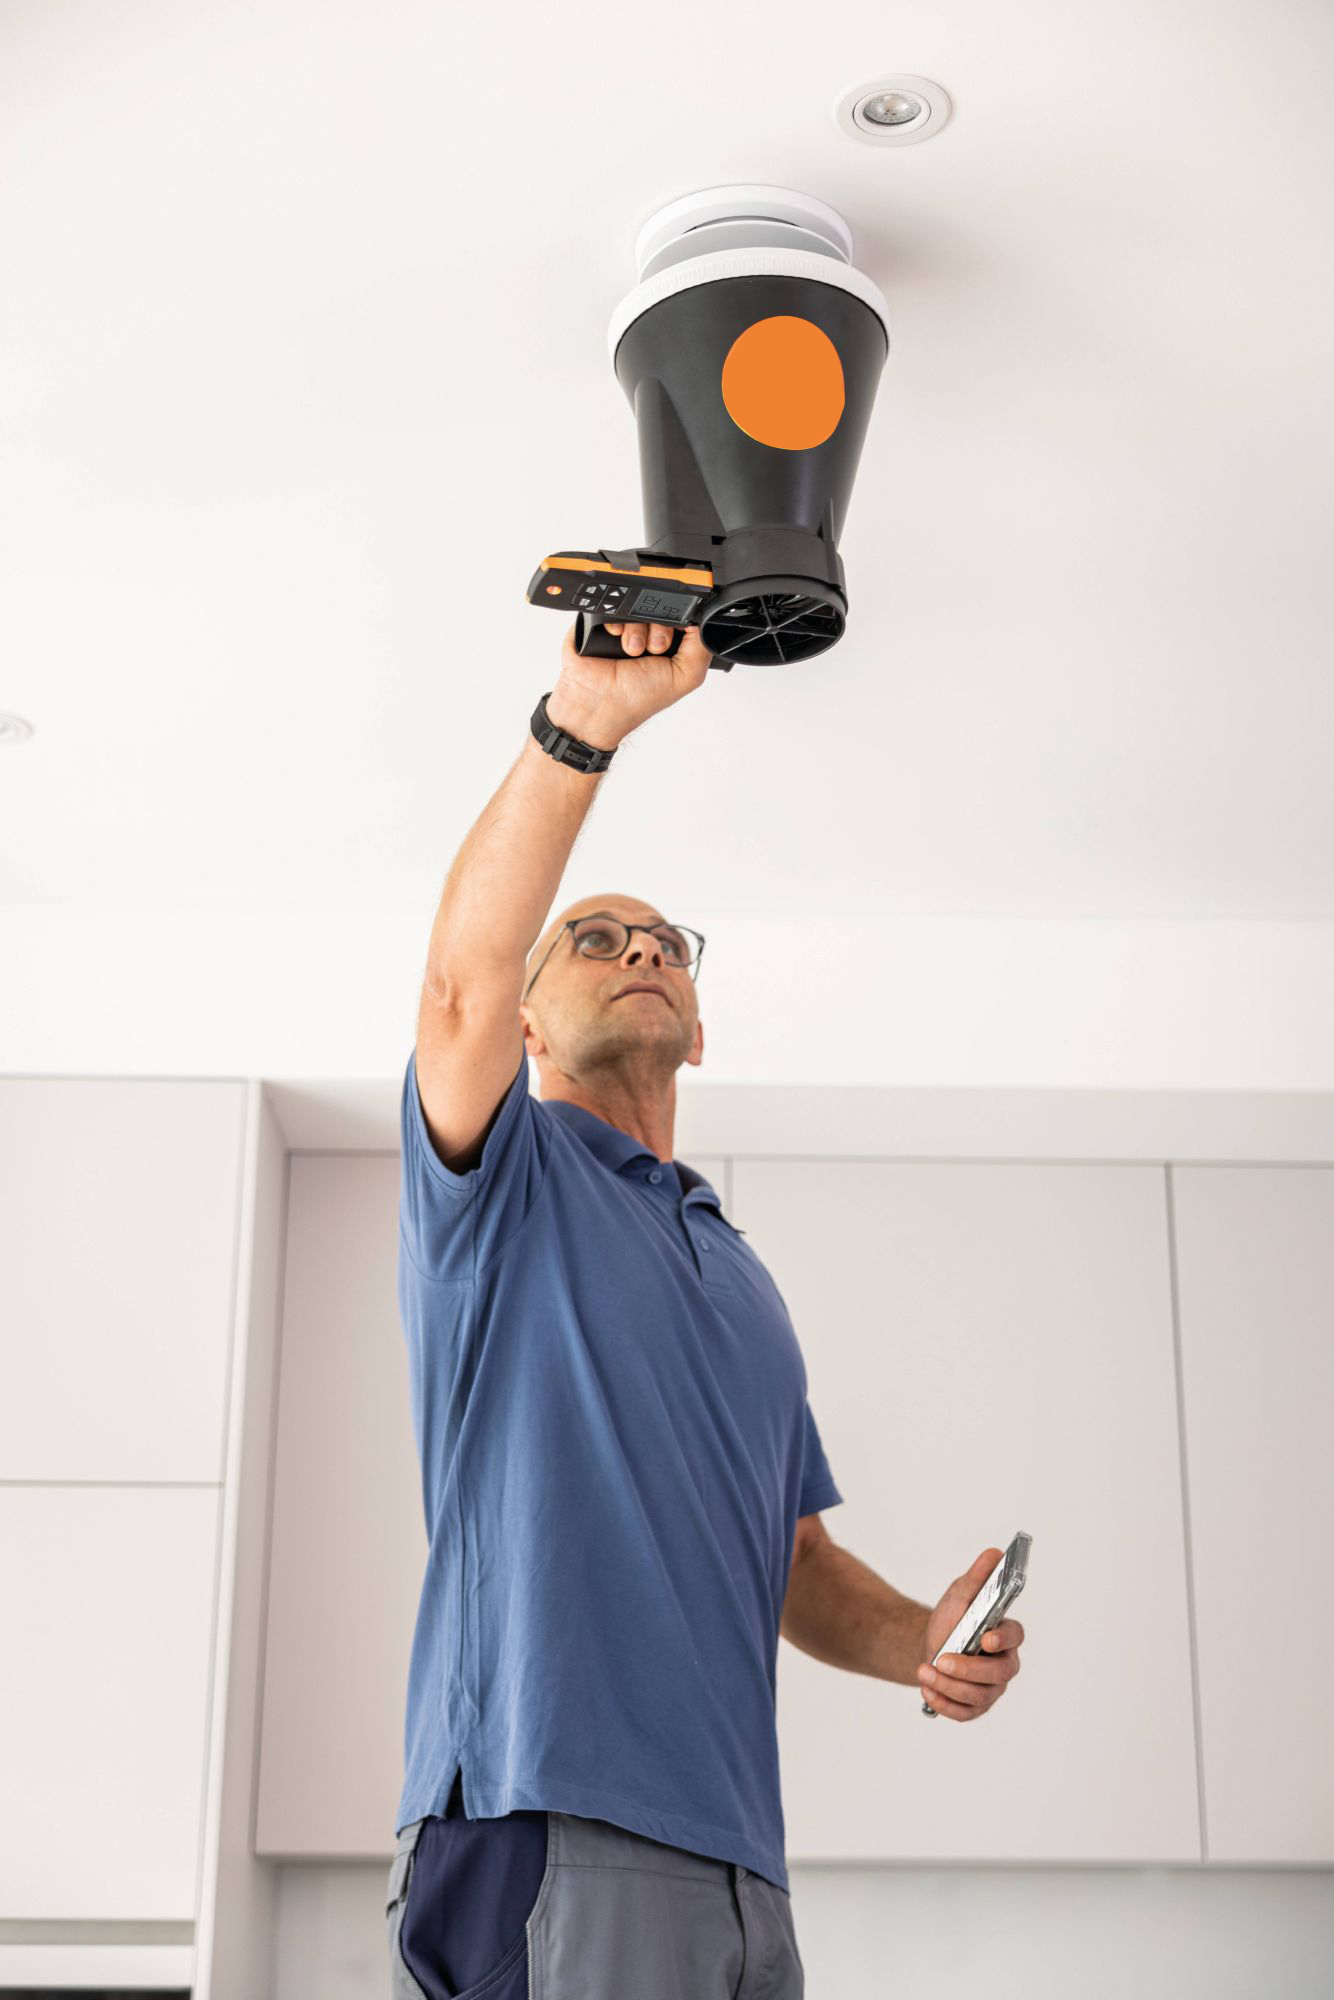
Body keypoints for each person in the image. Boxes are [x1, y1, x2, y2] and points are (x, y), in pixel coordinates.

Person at [387, 616, 1024, 1999]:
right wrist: (582, 723)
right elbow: (455, 985)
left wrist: (921, 1641)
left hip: (742, 1867)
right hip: (545, 1823)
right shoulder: (504, 1182)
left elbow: (792, 1561)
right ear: (528, 1025)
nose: (640, 951)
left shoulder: (737, 1271)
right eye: (594, 940)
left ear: (700, 1020)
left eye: (666, 943)